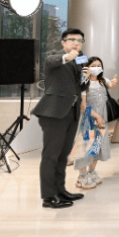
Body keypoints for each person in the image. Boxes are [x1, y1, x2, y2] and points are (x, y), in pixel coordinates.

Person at [33, 28, 90, 209]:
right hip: (54, 113)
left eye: (80, 41)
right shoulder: (54, 55)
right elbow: (53, 61)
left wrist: (86, 78)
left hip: (72, 112)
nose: (76, 43)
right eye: (72, 39)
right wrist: (67, 57)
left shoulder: (81, 59)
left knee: (63, 156)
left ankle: (60, 190)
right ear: (63, 42)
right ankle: (48, 197)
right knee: (51, 156)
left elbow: (80, 86)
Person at [75, 57, 118, 189]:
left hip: (101, 120)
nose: (96, 68)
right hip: (88, 119)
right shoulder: (83, 83)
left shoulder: (103, 80)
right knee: (84, 149)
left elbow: (112, 85)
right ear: (87, 67)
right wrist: (97, 116)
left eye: (99, 65)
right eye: (93, 65)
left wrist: (114, 83)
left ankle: (91, 173)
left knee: (97, 148)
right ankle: (82, 177)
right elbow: (83, 106)